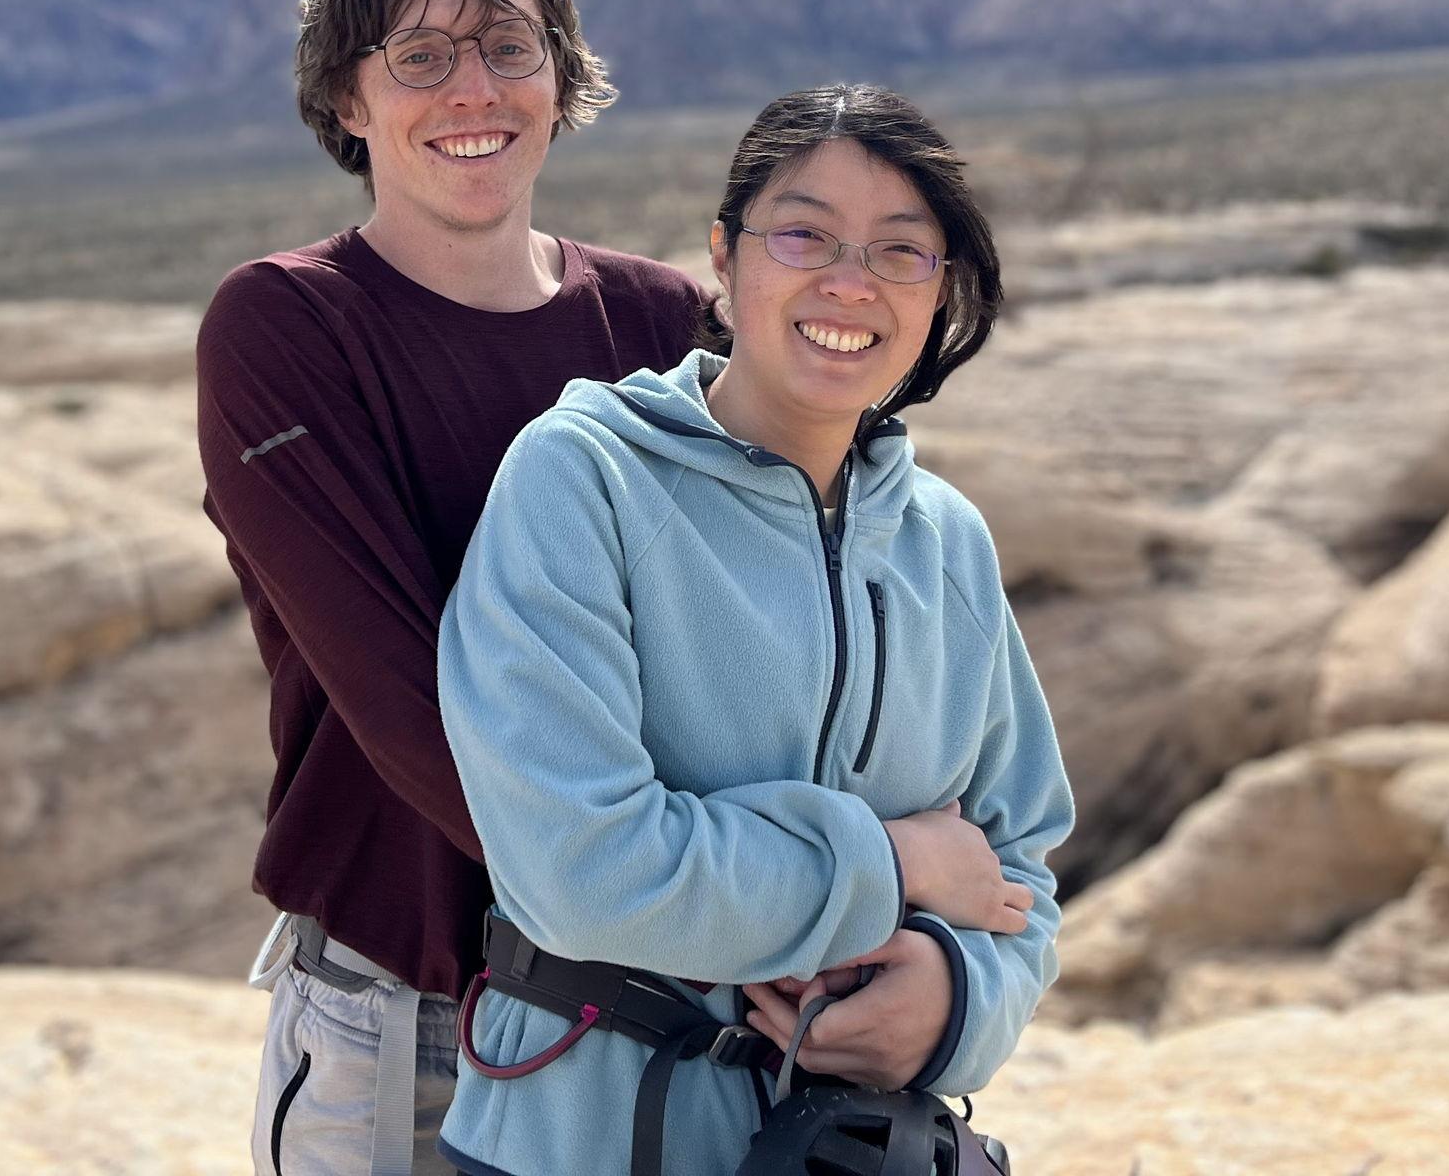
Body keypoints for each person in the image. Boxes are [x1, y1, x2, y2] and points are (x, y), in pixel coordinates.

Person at [436, 85, 1074, 1176]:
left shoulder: (946, 540)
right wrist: (888, 859)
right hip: (580, 1140)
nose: (848, 281)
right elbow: (581, 869)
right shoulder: (584, 476)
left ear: (938, 292)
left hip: (847, 1151)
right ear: (724, 258)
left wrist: (956, 1001)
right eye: (804, 233)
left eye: (899, 251)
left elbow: (1018, 869)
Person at [197, 0, 710, 1176]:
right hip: (416, 1023)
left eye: (508, 46)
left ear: (560, 75)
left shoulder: (665, 323)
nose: (472, 87)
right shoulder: (288, 329)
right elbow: (411, 696)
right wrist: (731, 911)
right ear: (348, 101)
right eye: (420, 56)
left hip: (677, 1021)